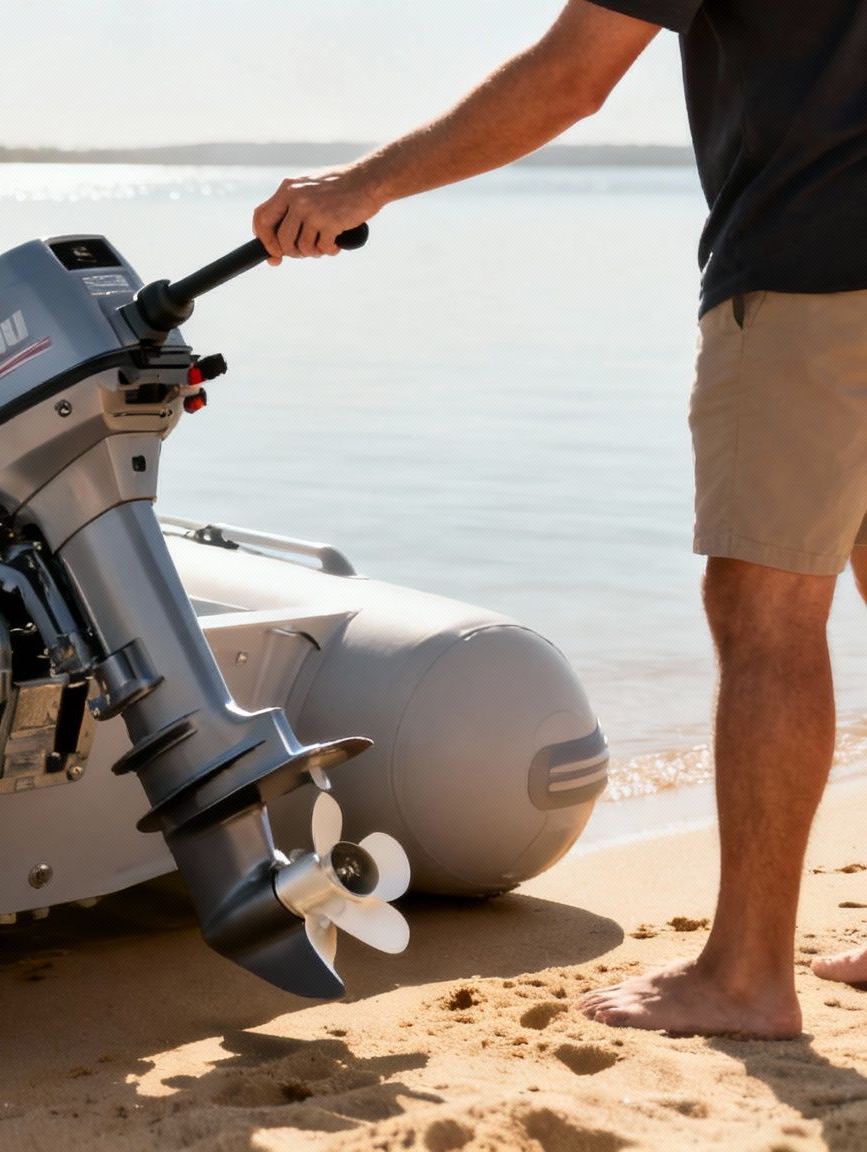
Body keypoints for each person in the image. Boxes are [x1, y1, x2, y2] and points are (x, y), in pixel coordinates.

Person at [253, 0, 867, 1038]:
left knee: (764, 611)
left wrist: (358, 187)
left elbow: (571, 74)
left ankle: (747, 975)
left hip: (810, 271)